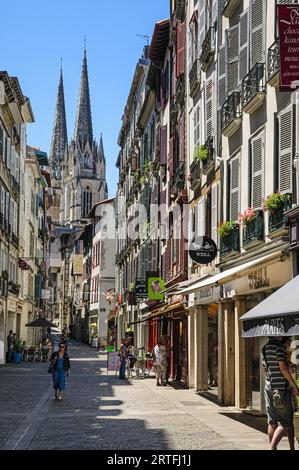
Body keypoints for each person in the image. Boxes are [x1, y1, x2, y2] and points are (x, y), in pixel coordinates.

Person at [262, 336, 299, 451]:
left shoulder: (265, 348)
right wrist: (293, 384)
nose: (288, 344)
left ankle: (279, 448)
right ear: (280, 336)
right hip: (281, 389)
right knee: (286, 421)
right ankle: (272, 448)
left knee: (272, 422)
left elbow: (265, 369)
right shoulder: (279, 347)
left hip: (268, 388)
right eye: (288, 341)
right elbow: (282, 368)